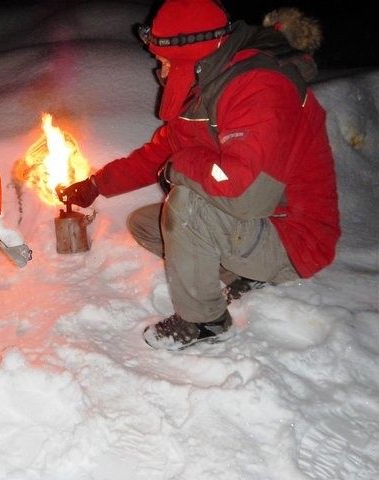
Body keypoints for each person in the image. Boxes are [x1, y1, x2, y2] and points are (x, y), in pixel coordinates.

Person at [57, 0, 340, 350]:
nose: (158, 70)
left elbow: (241, 189)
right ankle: (245, 274)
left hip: (294, 237)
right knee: (148, 224)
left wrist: (180, 168)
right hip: (260, 225)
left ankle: (204, 322)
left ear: (187, 57)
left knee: (187, 207)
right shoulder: (207, 86)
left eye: (162, 61)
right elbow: (156, 154)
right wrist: (96, 184)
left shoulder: (257, 86)